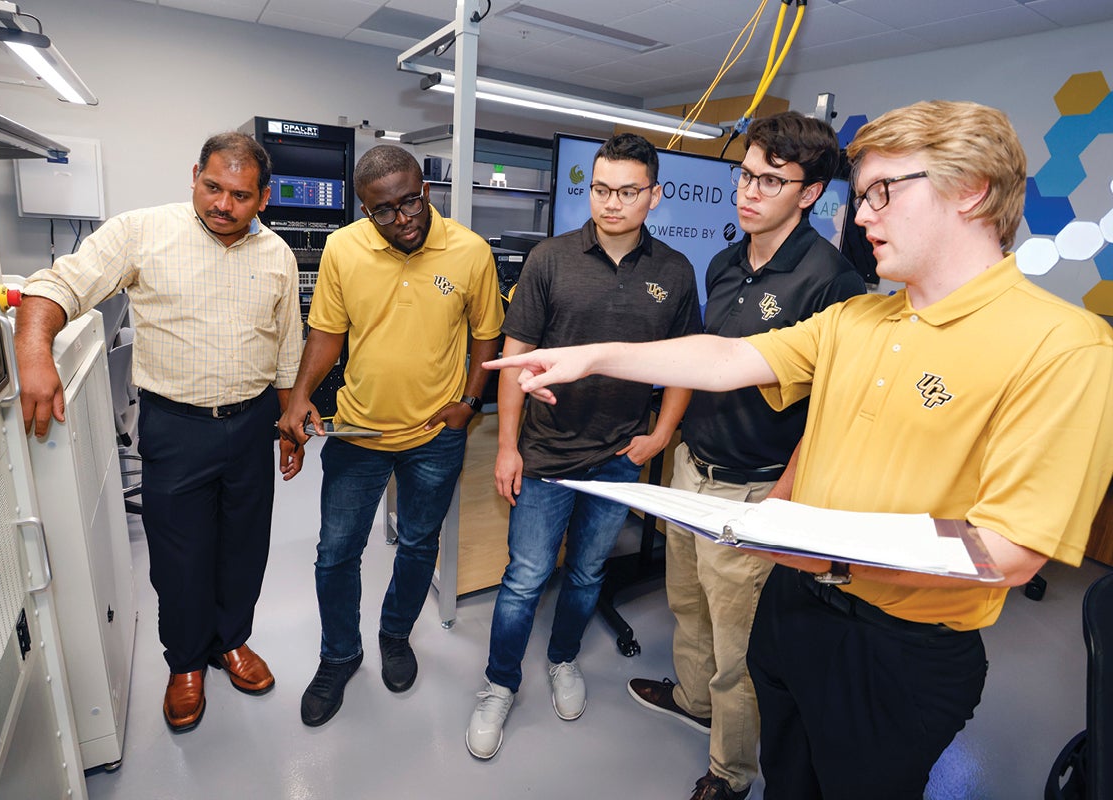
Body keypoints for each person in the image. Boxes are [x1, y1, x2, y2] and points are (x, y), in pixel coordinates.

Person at [485, 100, 1113, 799]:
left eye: (882, 193)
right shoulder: (859, 317)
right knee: (786, 775)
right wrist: (592, 355)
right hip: (795, 610)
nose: (863, 215)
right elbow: (725, 360)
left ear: (971, 190)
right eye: (862, 194)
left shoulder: (1064, 348)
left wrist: (808, 543)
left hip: (896, 647)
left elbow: (1007, 550)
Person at [15, 132, 302, 733]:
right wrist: (34, 353)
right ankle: (186, 663)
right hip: (177, 425)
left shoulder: (276, 254)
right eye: (212, 187)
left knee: (245, 546)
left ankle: (232, 643)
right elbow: (56, 285)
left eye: (240, 195)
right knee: (180, 553)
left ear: (264, 199)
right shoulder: (142, 232)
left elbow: (285, 348)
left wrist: (289, 418)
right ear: (194, 174)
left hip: (251, 424)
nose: (223, 204)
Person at [626, 112, 865, 800]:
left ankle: (731, 773)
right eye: (745, 174)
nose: (747, 192)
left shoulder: (831, 282)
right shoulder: (726, 260)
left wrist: (786, 494)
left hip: (753, 490)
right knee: (686, 604)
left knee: (740, 649)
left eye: (770, 180)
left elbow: (831, 412)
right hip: (691, 467)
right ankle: (693, 702)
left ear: (811, 192)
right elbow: (707, 364)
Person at [465, 132, 702, 760]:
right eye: (600, 189)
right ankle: (499, 684)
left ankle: (563, 658)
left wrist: (658, 434)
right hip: (544, 457)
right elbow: (515, 360)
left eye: (627, 191)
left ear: (654, 195)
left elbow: (685, 364)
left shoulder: (674, 273)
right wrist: (507, 446)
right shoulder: (550, 259)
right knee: (524, 578)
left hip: (618, 459)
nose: (611, 203)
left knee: (589, 572)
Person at [277, 145, 504, 727]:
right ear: (363, 209)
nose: (404, 218)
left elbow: (487, 336)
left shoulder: (470, 251)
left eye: (412, 201)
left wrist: (470, 403)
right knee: (335, 553)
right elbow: (327, 332)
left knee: (419, 544)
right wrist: (302, 393)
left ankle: (395, 636)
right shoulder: (343, 249)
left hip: (436, 435)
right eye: (386, 210)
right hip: (358, 431)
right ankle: (340, 655)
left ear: (425, 188)